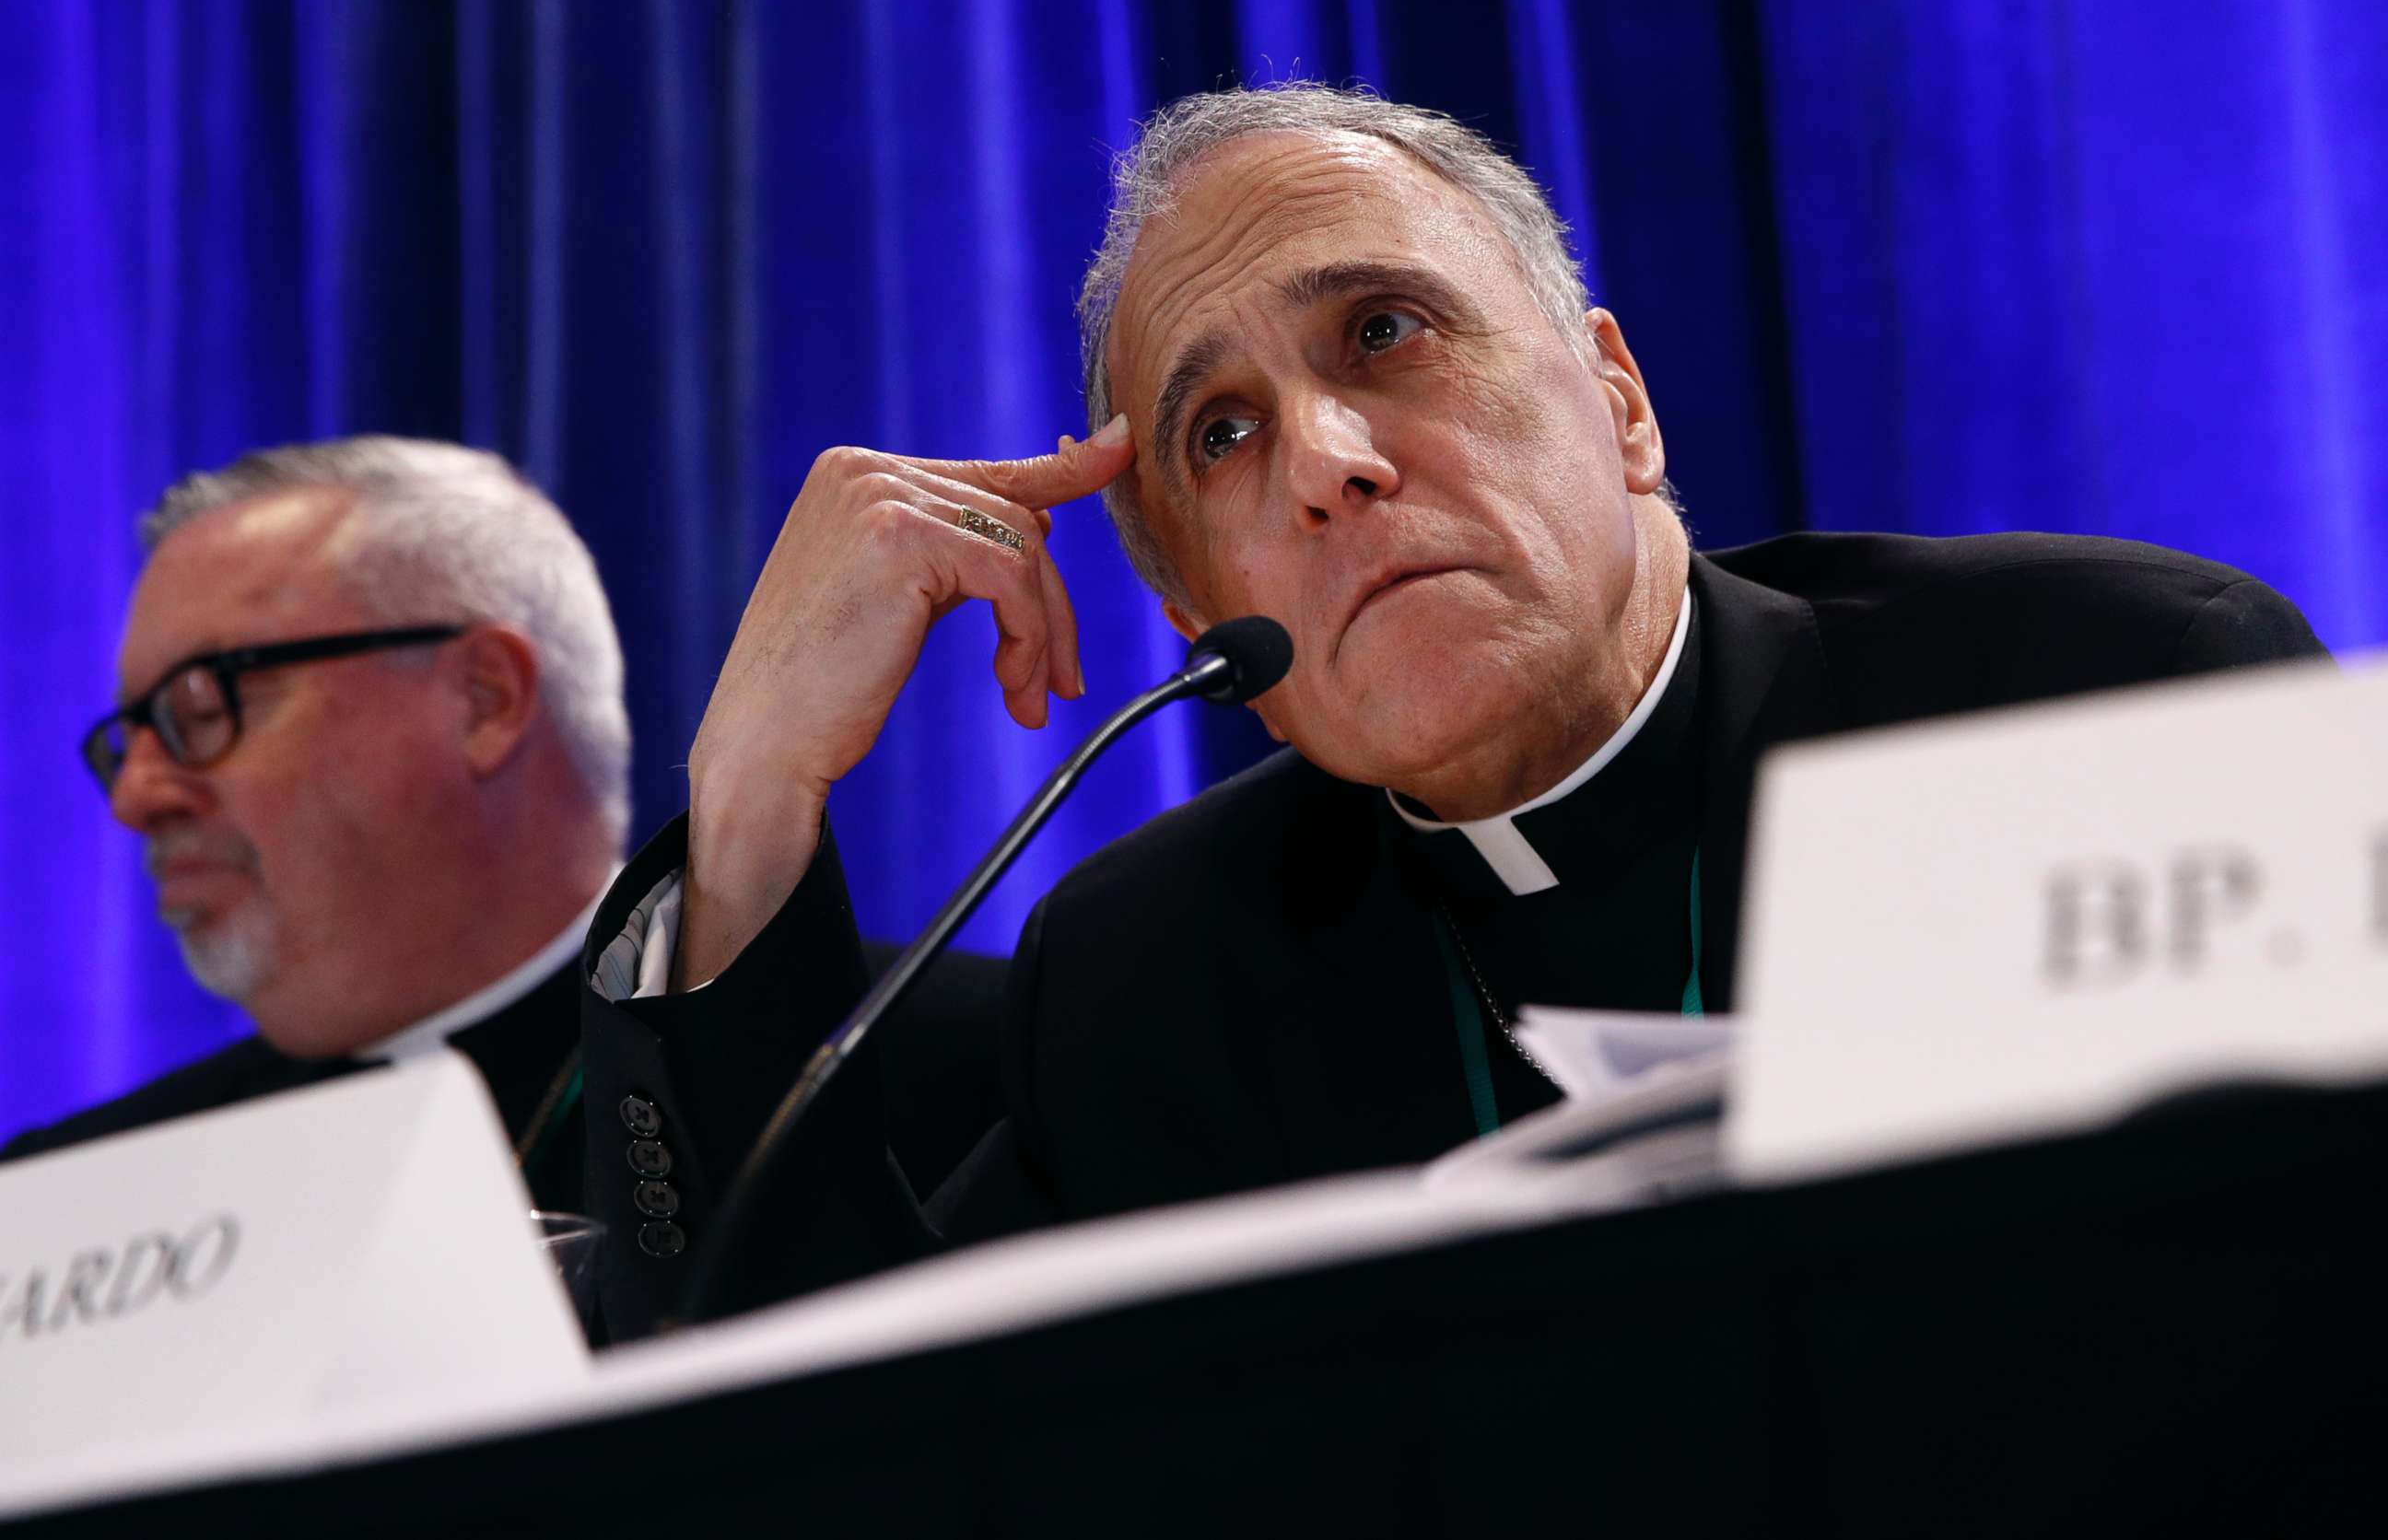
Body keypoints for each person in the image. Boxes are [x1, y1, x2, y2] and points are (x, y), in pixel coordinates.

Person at [577, 83, 2328, 1316]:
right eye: (1223, 432)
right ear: (1202, 617)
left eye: (1384, 333)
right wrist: (750, 797)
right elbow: (861, 1454)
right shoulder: (1153, 979)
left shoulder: (2094, 700)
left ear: (1618, 401)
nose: (1326, 464)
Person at [2, 438, 638, 1282]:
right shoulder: (66, 1209)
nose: (136, 799)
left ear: (485, 700)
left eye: (203, 704)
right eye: (133, 737)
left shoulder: (835, 1085)